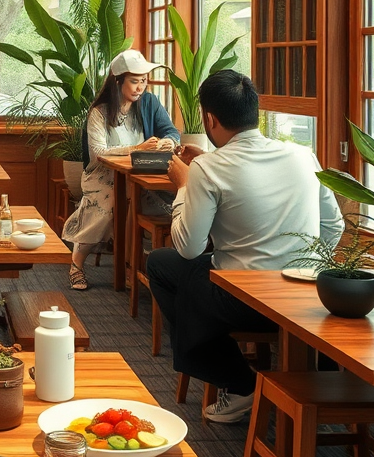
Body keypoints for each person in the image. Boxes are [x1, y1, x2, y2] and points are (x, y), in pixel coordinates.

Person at [147, 70, 344, 423]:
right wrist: (309, 267)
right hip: (308, 294)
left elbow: (189, 247)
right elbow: (334, 225)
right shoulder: (303, 156)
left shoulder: (207, 169)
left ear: (209, 118)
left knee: (164, 265)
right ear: (255, 111)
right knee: (190, 270)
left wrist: (183, 186)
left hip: (245, 300)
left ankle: (240, 383)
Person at [62, 49, 179, 291]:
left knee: (153, 201)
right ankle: (76, 264)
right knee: (113, 204)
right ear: (118, 81)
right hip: (101, 176)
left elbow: (170, 130)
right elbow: (98, 152)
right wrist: (136, 148)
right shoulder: (100, 111)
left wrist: (171, 142)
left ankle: (130, 265)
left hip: (137, 174)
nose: (140, 88)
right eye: (134, 82)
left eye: (144, 81)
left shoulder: (149, 103)